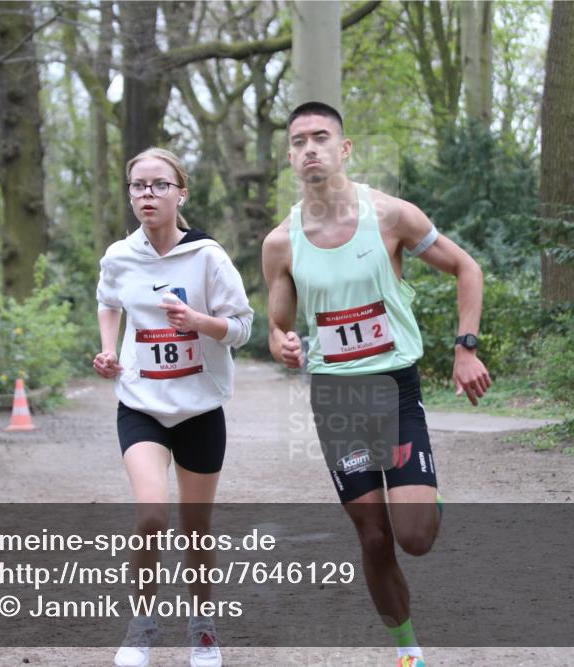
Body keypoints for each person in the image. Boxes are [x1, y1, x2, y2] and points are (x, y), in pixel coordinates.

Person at [261, 103, 491, 667]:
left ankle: (426, 498)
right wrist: (283, 344)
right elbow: (278, 326)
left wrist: (465, 348)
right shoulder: (281, 243)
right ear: (290, 157)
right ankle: (408, 652)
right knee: (372, 536)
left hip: (394, 389)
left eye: (321, 137)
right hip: (336, 399)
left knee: (414, 536)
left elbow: (467, 268)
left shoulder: (389, 216)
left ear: (345, 149)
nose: (309, 148)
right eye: (299, 142)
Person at [94, 147, 253, 667]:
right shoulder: (120, 256)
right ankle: (140, 627)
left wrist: (199, 323)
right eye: (138, 186)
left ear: (180, 193)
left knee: (195, 525)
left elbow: (243, 328)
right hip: (141, 405)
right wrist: (110, 348)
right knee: (150, 516)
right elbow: (108, 299)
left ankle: (203, 628)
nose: (147, 194)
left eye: (160, 185)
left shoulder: (208, 256)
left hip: (200, 410)